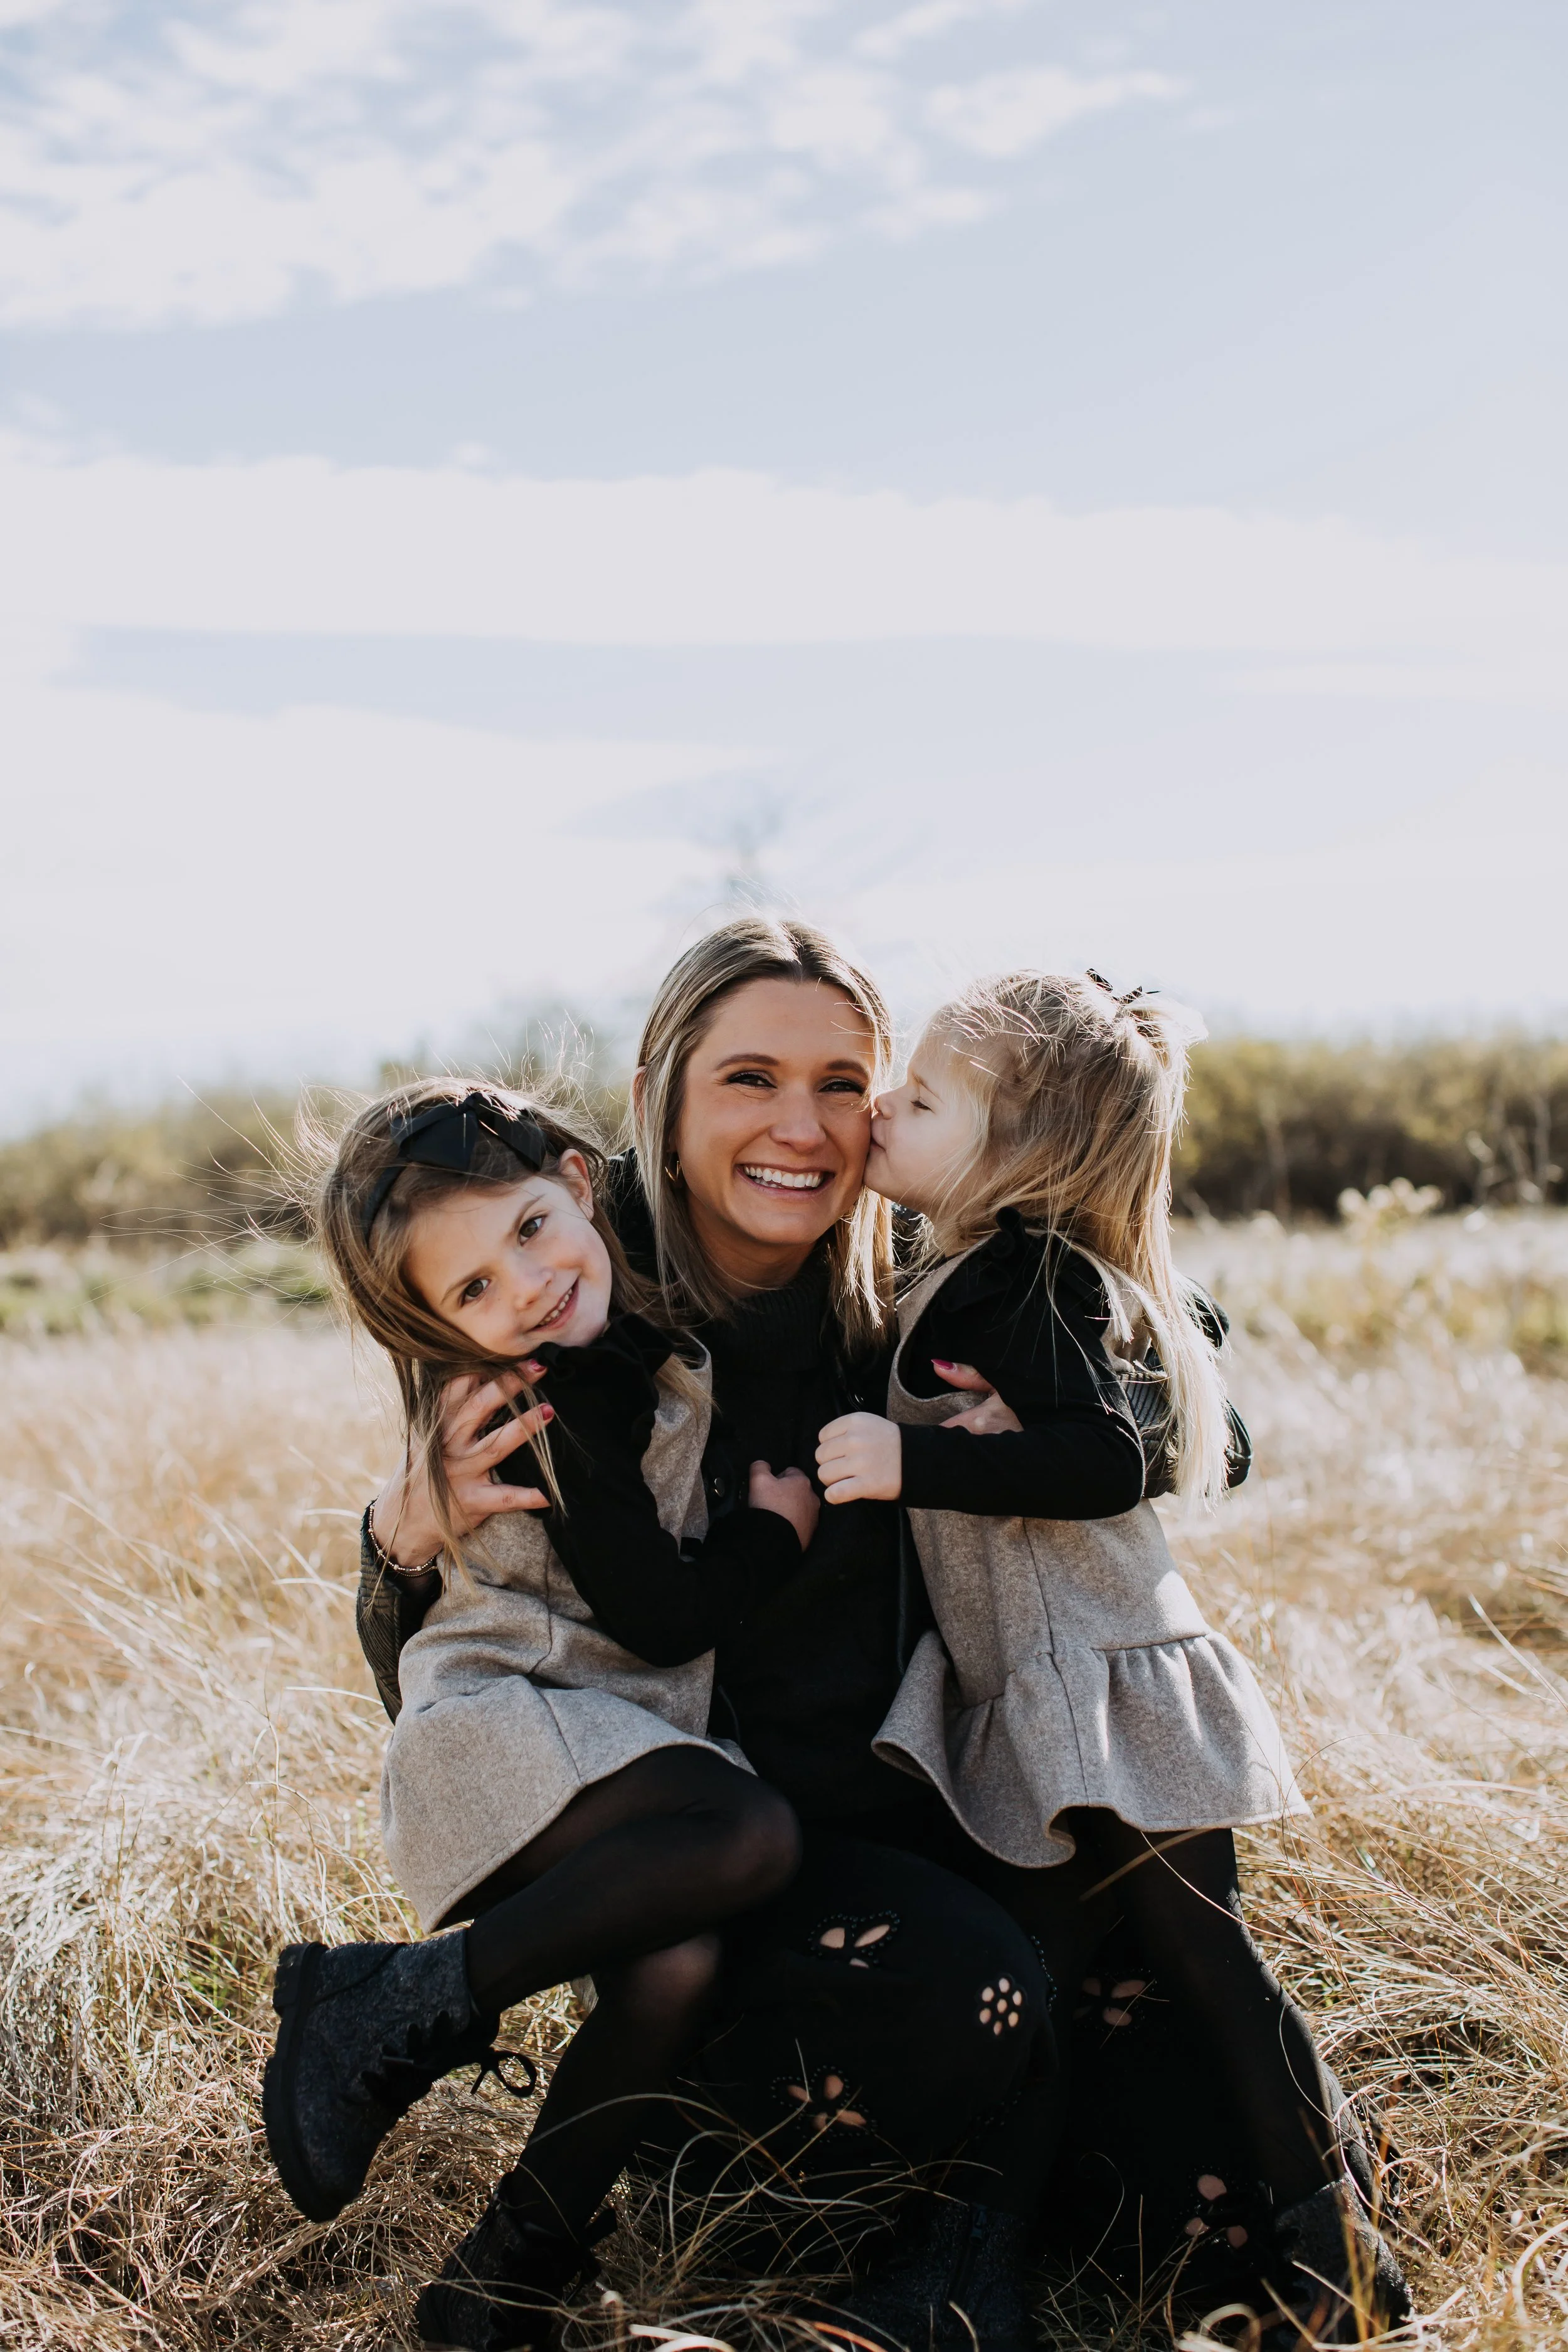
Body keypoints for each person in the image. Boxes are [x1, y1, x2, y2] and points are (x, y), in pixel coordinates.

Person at [354, 921, 1400, 2351]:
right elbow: (456, 1681)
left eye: (844, 1080)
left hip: (951, 1812)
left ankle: (982, 2266)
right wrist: (398, 1539)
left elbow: (1192, 1385)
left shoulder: (923, 1257)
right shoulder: (574, 1294)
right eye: (748, 1079)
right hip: (742, 1868)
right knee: (961, 1997)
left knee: (1190, 2174)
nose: (802, 1126)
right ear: (660, 1086)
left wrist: (1061, 1430)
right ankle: (788, 2257)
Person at [814, 968, 1411, 2343]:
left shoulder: (1022, 1276)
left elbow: (1101, 1457)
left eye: (920, 1099)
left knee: (1208, 1956)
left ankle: (1340, 2252)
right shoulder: (970, 1266)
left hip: (1099, 1676)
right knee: (1052, 1974)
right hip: (1042, 1688)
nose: (882, 1112)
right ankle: (972, 2265)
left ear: (1019, 1152)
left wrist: (903, 1459)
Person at [263, 1081, 810, 2351]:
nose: (524, 1286)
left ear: (575, 1176)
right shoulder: (539, 1404)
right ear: (437, 1329)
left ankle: (501, 2285)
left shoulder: (599, 1305)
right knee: (747, 1837)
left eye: (525, 1229)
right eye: (468, 1291)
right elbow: (660, 1617)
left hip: (582, 1728)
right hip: (503, 1724)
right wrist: (772, 1535)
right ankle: (395, 2004)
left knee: (678, 1962)